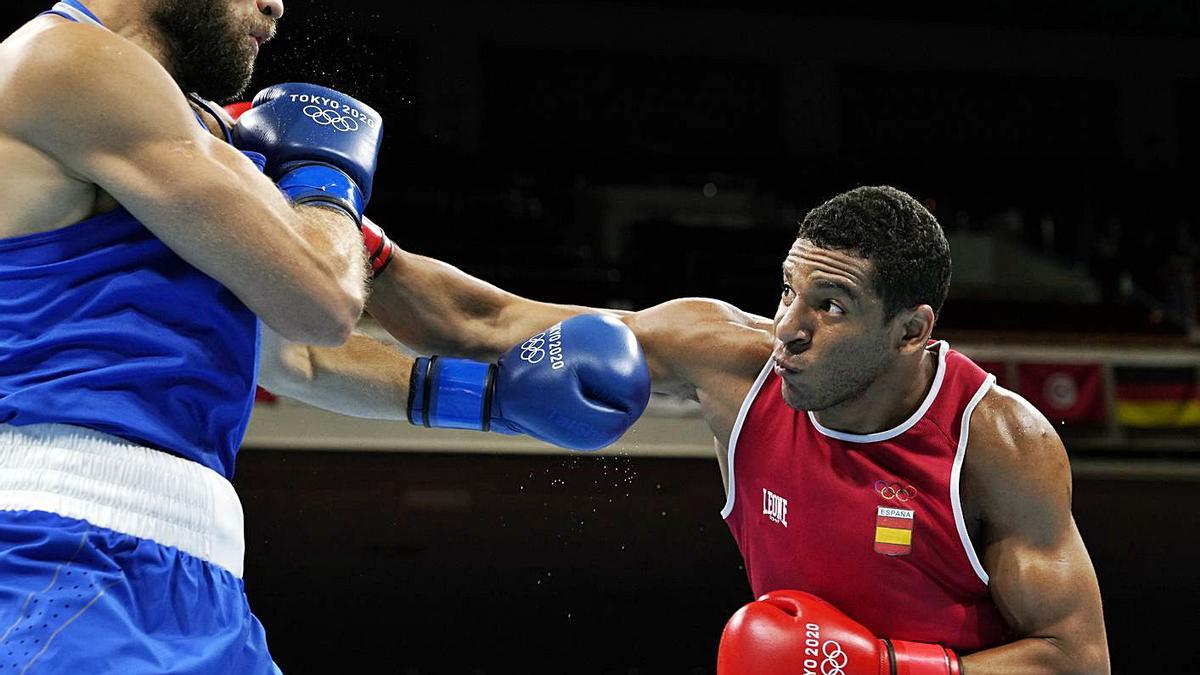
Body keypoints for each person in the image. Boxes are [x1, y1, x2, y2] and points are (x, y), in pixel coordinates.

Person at [0, 0, 648, 672]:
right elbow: (324, 297)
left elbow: (298, 357)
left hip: (200, 575)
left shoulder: (194, 128)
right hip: (56, 550)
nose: (276, 5)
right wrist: (326, 177)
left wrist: (494, 398)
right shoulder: (64, 59)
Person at [264, 186, 1110, 673]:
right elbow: (488, 321)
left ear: (912, 329)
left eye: (831, 306)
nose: (790, 327)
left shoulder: (996, 441)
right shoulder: (730, 360)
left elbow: (1077, 656)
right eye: (787, 291)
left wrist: (885, 666)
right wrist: (341, 228)